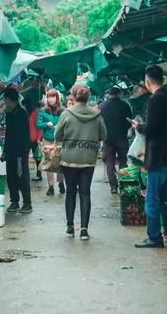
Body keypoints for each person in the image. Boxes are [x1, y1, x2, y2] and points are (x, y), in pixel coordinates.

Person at [132, 66, 167, 248]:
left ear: (147, 82)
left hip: (159, 157)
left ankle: (154, 237)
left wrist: (139, 127)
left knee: (152, 197)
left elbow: (152, 128)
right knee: (164, 196)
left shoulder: (155, 100)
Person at [55, 85, 107, 241]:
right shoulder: (96, 115)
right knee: (85, 193)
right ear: (88, 97)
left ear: (73, 96)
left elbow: (58, 134)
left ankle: (70, 228)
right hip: (88, 159)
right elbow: (103, 134)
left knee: (70, 192)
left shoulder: (66, 114)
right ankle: (84, 230)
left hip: (69, 158)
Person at [2, 87, 33, 214]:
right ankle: (14, 201)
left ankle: (27, 202)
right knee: (11, 176)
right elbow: (8, 133)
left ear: (11, 100)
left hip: (20, 151)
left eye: (6, 100)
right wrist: (5, 151)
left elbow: (23, 135)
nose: (5, 103)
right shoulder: (9, 113)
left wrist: (22, 150)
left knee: (22, 176)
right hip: (10, 151)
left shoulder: (22, 113)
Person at [99, 87, 133, 194]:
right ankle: (123, 184)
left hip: (107, 139)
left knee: (109, 162)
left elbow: (98, 123)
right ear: (119, 94)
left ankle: (113, 187)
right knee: (123, 161)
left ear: (109, 94)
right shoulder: (125, 105)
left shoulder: (102, 106)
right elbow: (129, 121)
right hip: (122, 138)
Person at [37, 89, 66, 196]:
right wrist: (46, 124)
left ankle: (61, 182)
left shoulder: (63, 110)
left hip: (60, 140)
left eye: (53, 96)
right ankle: (50, 186)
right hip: (47, 140)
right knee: (49, 162)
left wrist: (60, 126)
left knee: (59, 162)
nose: (51, 99)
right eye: (49, 97)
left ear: (57, 98)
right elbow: (38, 124)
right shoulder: (43, 111)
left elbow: (67, 123)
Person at [23, 98, 44, 182]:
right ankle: (25, 174)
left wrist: (38, 138)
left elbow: (40, 128)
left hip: (34, 139)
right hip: (28, 139)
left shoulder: (35, 114)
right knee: (26, 157)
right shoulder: (26, 114)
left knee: (37, 157)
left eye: (24, 105)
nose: (23, 106)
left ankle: (39, 175)